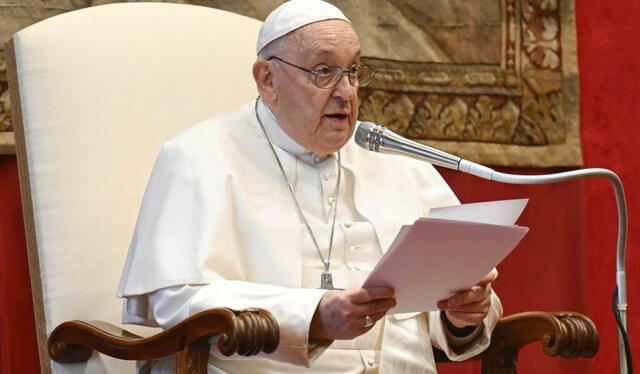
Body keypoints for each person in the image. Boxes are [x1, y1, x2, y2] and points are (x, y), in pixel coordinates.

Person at [117, 0, 502, 373]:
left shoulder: (396, 160)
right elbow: (176, 299)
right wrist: (314, 316)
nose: (346, 92)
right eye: (323, 71)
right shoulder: (196, 156)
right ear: (268, 79)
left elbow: (461, 296)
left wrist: (461, 314)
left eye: (352, 71)